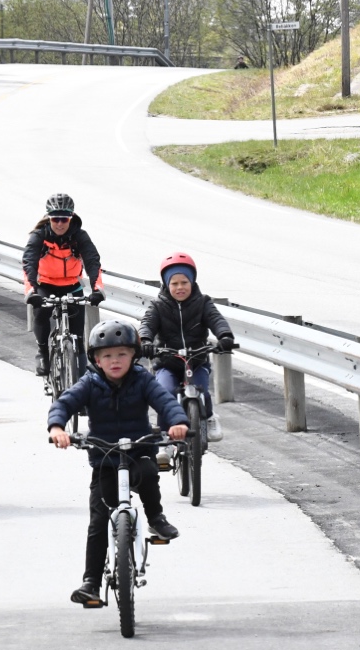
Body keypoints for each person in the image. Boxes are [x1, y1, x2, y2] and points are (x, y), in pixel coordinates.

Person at [48, 320, 187, 606]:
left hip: (138, 452)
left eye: (122, 354)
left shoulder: (143, 379)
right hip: (105, 459)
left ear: (133, 356)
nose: (115, 361)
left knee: (149, 472)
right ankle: (91, 583)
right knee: (98, 520)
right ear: (96, 360)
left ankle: (156, 519)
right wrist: (57, 428)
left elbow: (165, 401)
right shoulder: (89, 382)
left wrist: (178, 423)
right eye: (107, 356)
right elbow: (64, 403)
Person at [138, 252, 235, 443]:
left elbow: (216, 320)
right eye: (174, 283)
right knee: (165, 393)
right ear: (166, 284)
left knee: (202, 391)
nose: (180, 287)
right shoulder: (158, 306)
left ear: (192, 282)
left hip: (196, 360)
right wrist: (145, 341)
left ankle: (208, 417)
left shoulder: (203, 302)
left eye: (184, 282)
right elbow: (147, 324)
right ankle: (165, 438)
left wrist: (224, 336)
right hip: (167, 362)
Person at [22, 193, 105, 378]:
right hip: (46, 285)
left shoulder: (79, 236)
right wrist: (31, 292)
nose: (60, 223)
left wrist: (97, 289)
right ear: (49, 218)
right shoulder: (39, 236)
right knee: (41, 313)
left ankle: (82, 378)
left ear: (71, 217)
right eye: (55, 218)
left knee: (78, 336)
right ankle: (42, 352)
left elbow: (93, 262)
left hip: (72, 286)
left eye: (64, 218)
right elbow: (29, 264)